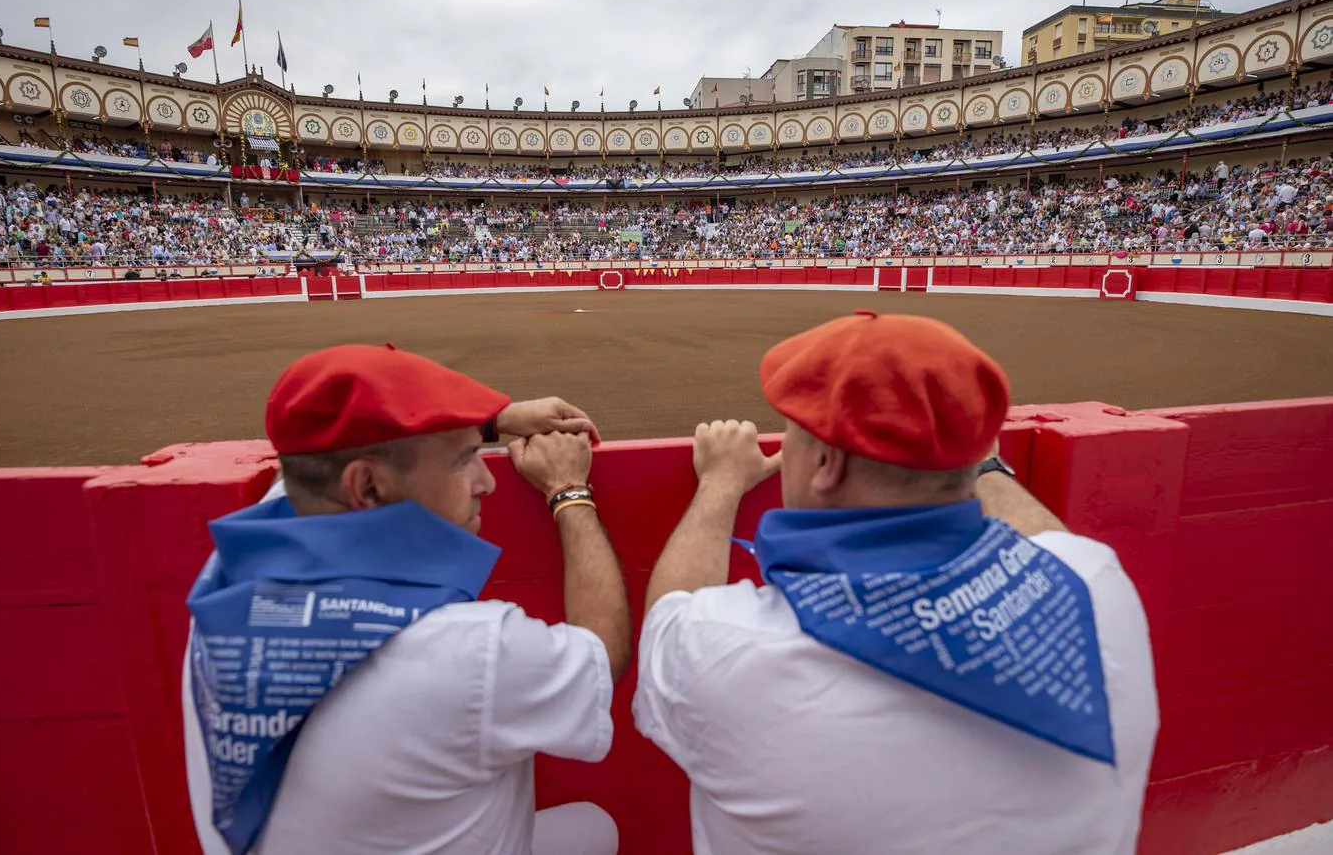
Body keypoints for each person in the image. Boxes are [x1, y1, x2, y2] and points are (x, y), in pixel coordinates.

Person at [634, 311, 1159, 854]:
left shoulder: (734, 651)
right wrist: (978, 464)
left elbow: (669, 615)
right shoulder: (1096, 585)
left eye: (792, 434)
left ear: (826, 463)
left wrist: (720, 483)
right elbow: (1050, 545)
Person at [182, 343, 630, 855]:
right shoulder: (467, 650)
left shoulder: (230, 570)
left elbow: (321, 447)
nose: (486, 480)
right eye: (464, 461)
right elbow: (601, 652)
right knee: (596, 826)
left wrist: (492, 422)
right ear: (368, 486)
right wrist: (568, 490)